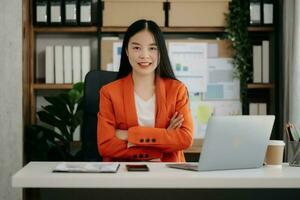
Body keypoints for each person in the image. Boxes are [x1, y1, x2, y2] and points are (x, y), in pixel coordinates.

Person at [97, 19, 194, 162]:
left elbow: (185, 139)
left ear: (161, 52)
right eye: (136, 48)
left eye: (152, 48)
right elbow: (105, 145)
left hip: (167, 174)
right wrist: (164, 139)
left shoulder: (177, 90)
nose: (144, 55)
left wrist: (130, 135)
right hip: (124, 175)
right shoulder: (109, 92)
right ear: (126, 51)